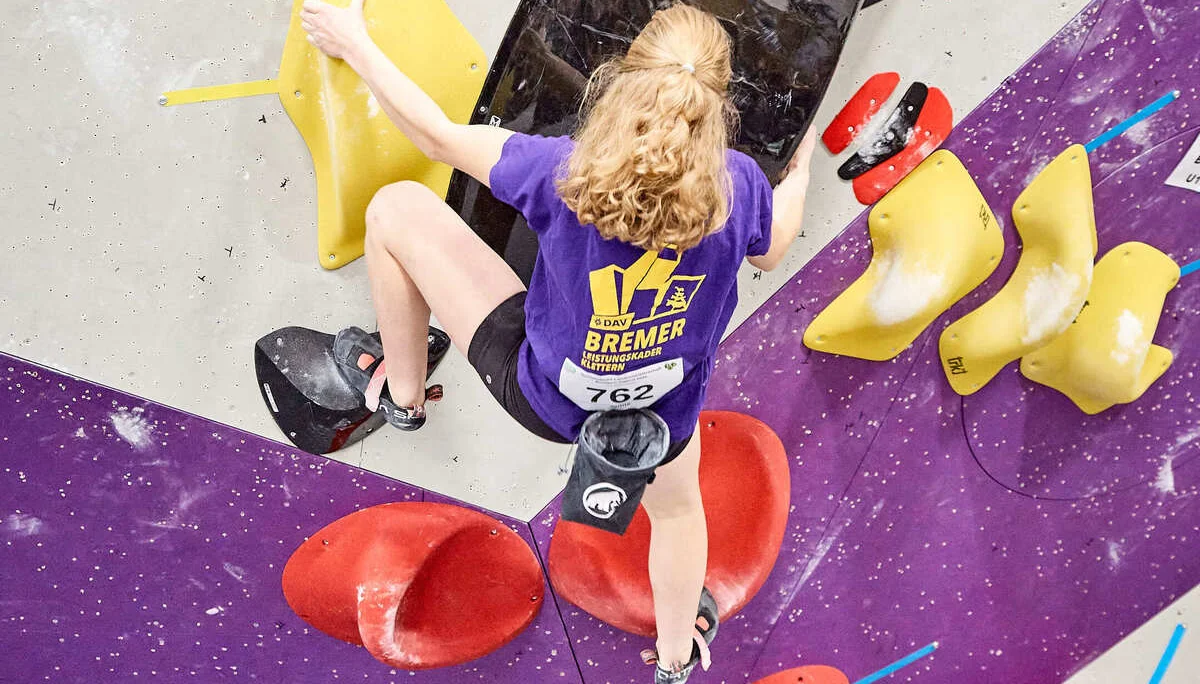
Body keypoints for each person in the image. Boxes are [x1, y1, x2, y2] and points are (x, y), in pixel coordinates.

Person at [300, 1, 814, 681]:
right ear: (716, 106)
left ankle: (401, 395)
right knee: (680, 514)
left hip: (544, 395)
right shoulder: (740, 188)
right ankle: (672, 661)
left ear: (627, 80)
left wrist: (355, 43)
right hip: (659, 422)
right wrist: (800, 166)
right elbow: (773, 249)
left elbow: (434, 136)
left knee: (396, 210)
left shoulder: (563, 171)